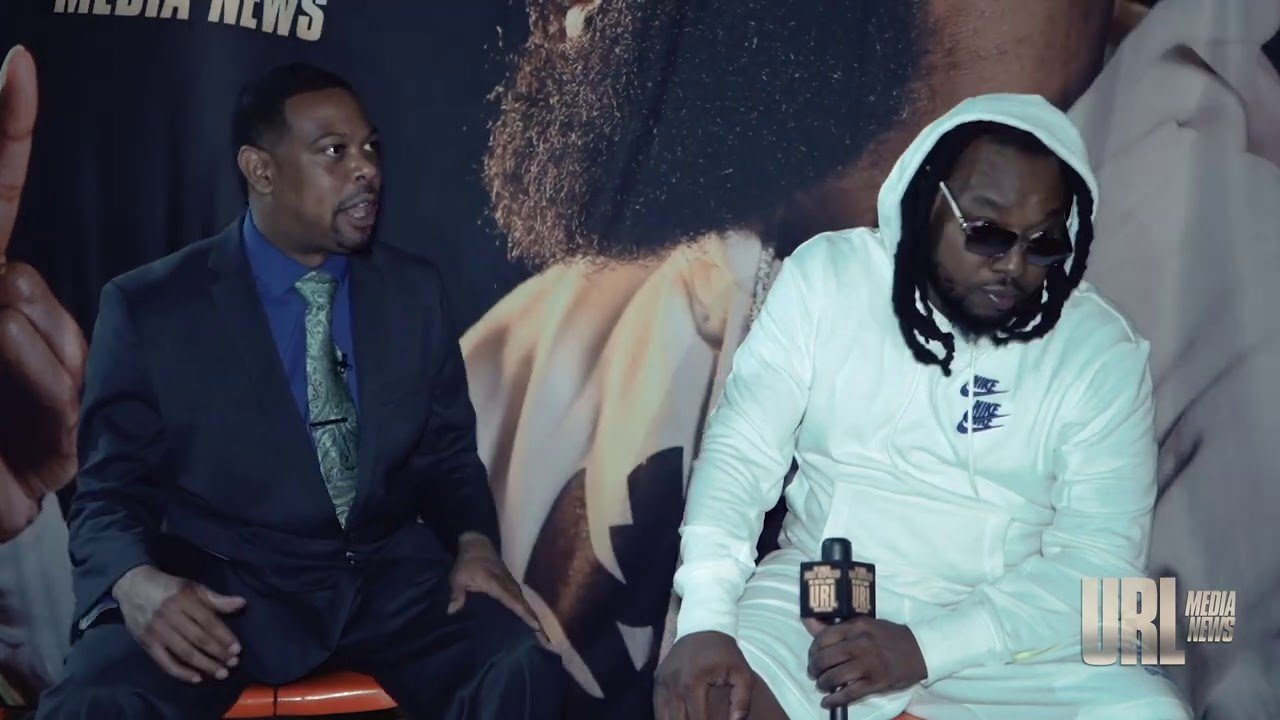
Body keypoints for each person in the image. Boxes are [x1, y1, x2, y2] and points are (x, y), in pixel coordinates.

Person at [32, 62, 565, 720]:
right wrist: (132, 581)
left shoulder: (412, 292)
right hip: (222, 592)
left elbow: (447, 456)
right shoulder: (152, 307)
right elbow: (109, 490)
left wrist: (475, 542)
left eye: (370, 148)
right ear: (261, 170)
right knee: (98, 699)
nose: (366, 169)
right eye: (334, 152)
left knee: (517, 664)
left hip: (387, 584)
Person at [653, 93, 1192, 720]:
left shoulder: (1100, 350)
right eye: (987, 234)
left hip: (1009, 627)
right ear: (928, 201)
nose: (1014, 266)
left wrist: (928, 647)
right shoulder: (830, 278)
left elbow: (1098, 565)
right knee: (713, 702)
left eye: (1044, 244)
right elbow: (742, 452)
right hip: (824, 596)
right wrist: (707, 617)